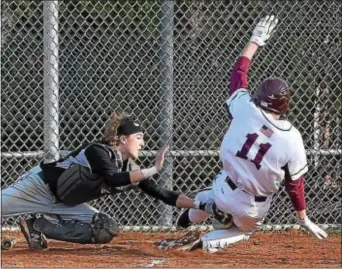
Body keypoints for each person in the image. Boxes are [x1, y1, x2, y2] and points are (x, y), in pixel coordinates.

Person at [175, 15, 328, 253]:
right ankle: (206, 242)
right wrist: (303, 218)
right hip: (252, 208)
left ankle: (185, 220)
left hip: (224, 188)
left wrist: (255, 41)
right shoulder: (292, 138)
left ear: (259, 97)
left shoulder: (246, 108)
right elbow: (294, 185)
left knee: (210, 197)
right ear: (285, 105)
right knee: (243, 232)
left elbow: (238, 74)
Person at [1, 112, 222, 249]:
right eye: (138, 137)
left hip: (67, 202)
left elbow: (162, 194)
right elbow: (114, 179)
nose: (142, 143)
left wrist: (202, 205)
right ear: (123, 139)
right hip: (39, 188)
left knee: (106, 228)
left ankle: (38, 225)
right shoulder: (98, 152)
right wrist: (153, 168)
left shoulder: (130, 168)